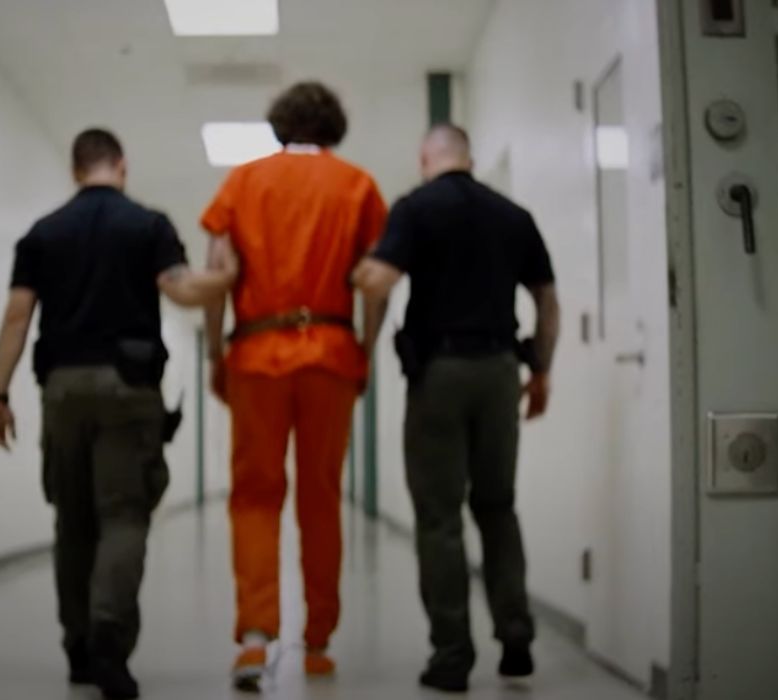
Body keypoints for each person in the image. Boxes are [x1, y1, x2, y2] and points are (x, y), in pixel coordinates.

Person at [0, 128, 237, 700]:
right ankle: (108, 640)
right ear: (122, 165)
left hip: (63, 390)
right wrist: (227, 275)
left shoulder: (42, 234)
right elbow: (181, 290)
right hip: (129, 389)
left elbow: (17, 318)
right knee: (124, 516)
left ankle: (77, 648)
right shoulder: (147, 225)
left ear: (77, 170)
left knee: (72, 521)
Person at [353, 124, 561, 693]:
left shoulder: (416, 208)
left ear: (426, 157)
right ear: (467, 157)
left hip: (439, 375)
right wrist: (541, 370)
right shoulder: (513, 215)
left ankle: (452, 656)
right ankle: (514, 635)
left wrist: (363, 348)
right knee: (497, 506)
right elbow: (546, 299)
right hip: (499, 373)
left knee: (439, 518)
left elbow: (379, 283)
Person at [201, 81, 390, 691]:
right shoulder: (358, 185)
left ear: (280, 125)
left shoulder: (242, 183)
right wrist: (365, 348)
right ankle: (316, 642)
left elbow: (216, 273)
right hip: (332, 354)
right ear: (333, 127)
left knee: (254, 494)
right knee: (321, 496)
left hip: (256, 352)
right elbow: (375, 283)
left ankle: (256, 639)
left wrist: (215, 351)